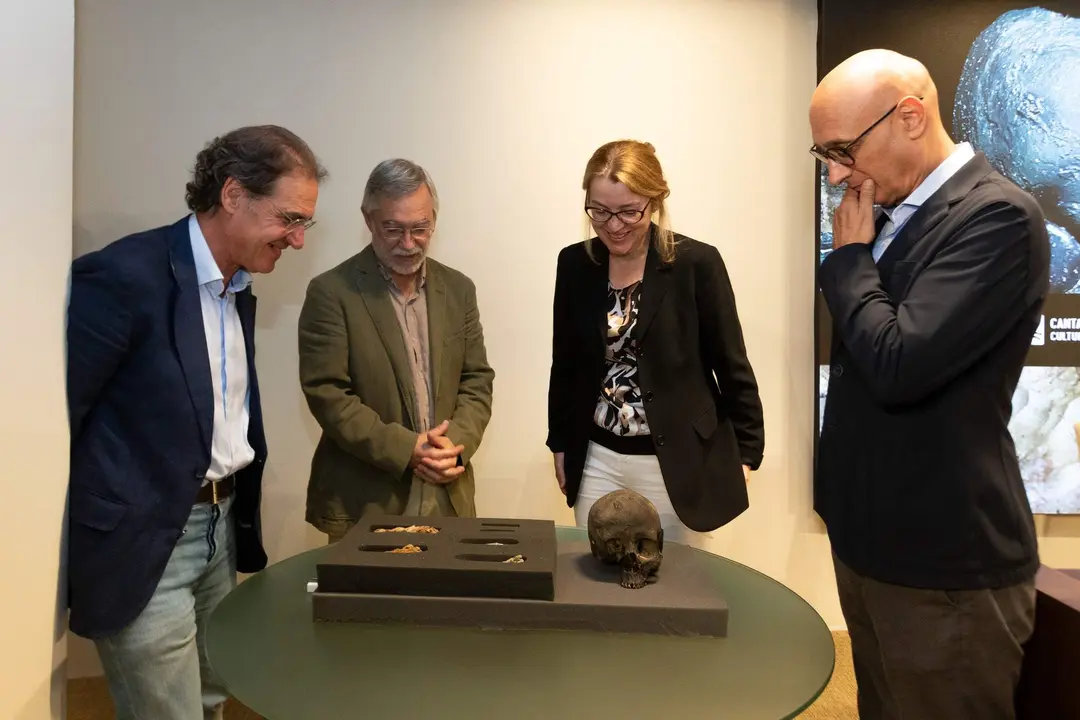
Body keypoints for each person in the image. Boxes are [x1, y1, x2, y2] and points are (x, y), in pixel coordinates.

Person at [810, 49, 1050, 719]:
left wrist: (851, 258)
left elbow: (897, 363)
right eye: (821, 153)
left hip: (945, 562)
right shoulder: (890, 213)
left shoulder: (996, 217)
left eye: (843, 149)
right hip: (873, 545)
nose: (834, 174)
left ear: (911, 117)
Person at [66, 125, 326, 719]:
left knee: (212, 700)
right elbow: (61, 417)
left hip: (219, 532)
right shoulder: (124, 277)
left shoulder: (235, 287)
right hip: (145, 544)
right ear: (232, 195)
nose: (298, 239)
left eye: (304, 223)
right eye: (290, 219)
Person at [546, 139, 764, 546]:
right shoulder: (574, 264)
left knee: (678, 587)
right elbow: (565, 363)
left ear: (656, 201)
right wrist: (559, 441)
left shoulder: (697, 264)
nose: (613, 225)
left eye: (629, 211)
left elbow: (731, 363)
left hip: (678, 462)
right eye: (600, 211)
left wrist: (748, 453)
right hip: (596, 459)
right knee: (597, 583)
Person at [298, 158, 495, 542]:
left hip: (448, 497)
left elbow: (476, 380)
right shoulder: (332, 293)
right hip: (366, 504)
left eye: (420, 229)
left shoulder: (458, 290)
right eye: (393, 229)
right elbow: (329, 395)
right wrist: (407, 449)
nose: (408, 244)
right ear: (368, 220)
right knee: (366, 605)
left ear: (434, 220)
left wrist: (454, 446)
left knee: (448, 603)